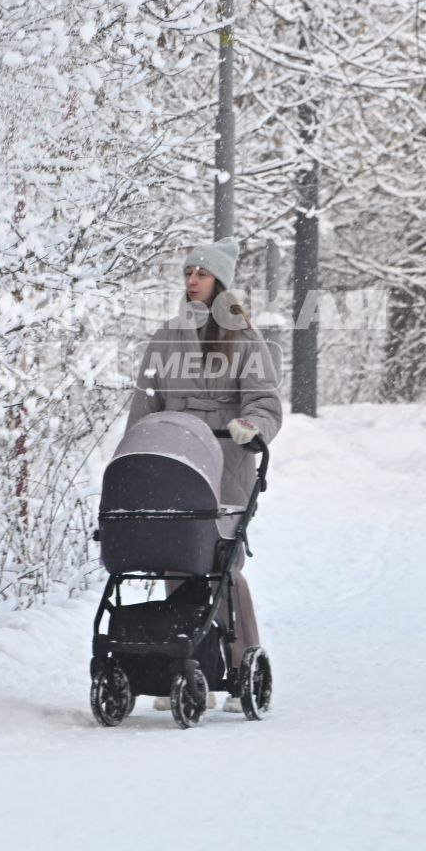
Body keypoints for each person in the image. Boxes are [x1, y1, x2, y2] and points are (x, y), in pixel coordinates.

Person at [125, 237, 282, 708]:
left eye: (202, 274)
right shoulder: (165, 337)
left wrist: (251, 428)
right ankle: (183, 661)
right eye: (188, 273)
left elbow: (265, 401)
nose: (192, 280)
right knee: (176, 557)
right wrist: (131, 454)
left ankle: (240, 664)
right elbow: (145, 403)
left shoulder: (244, 337)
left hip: (225, 457)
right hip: (174, 455)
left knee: (221, 565)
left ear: (221, 284)